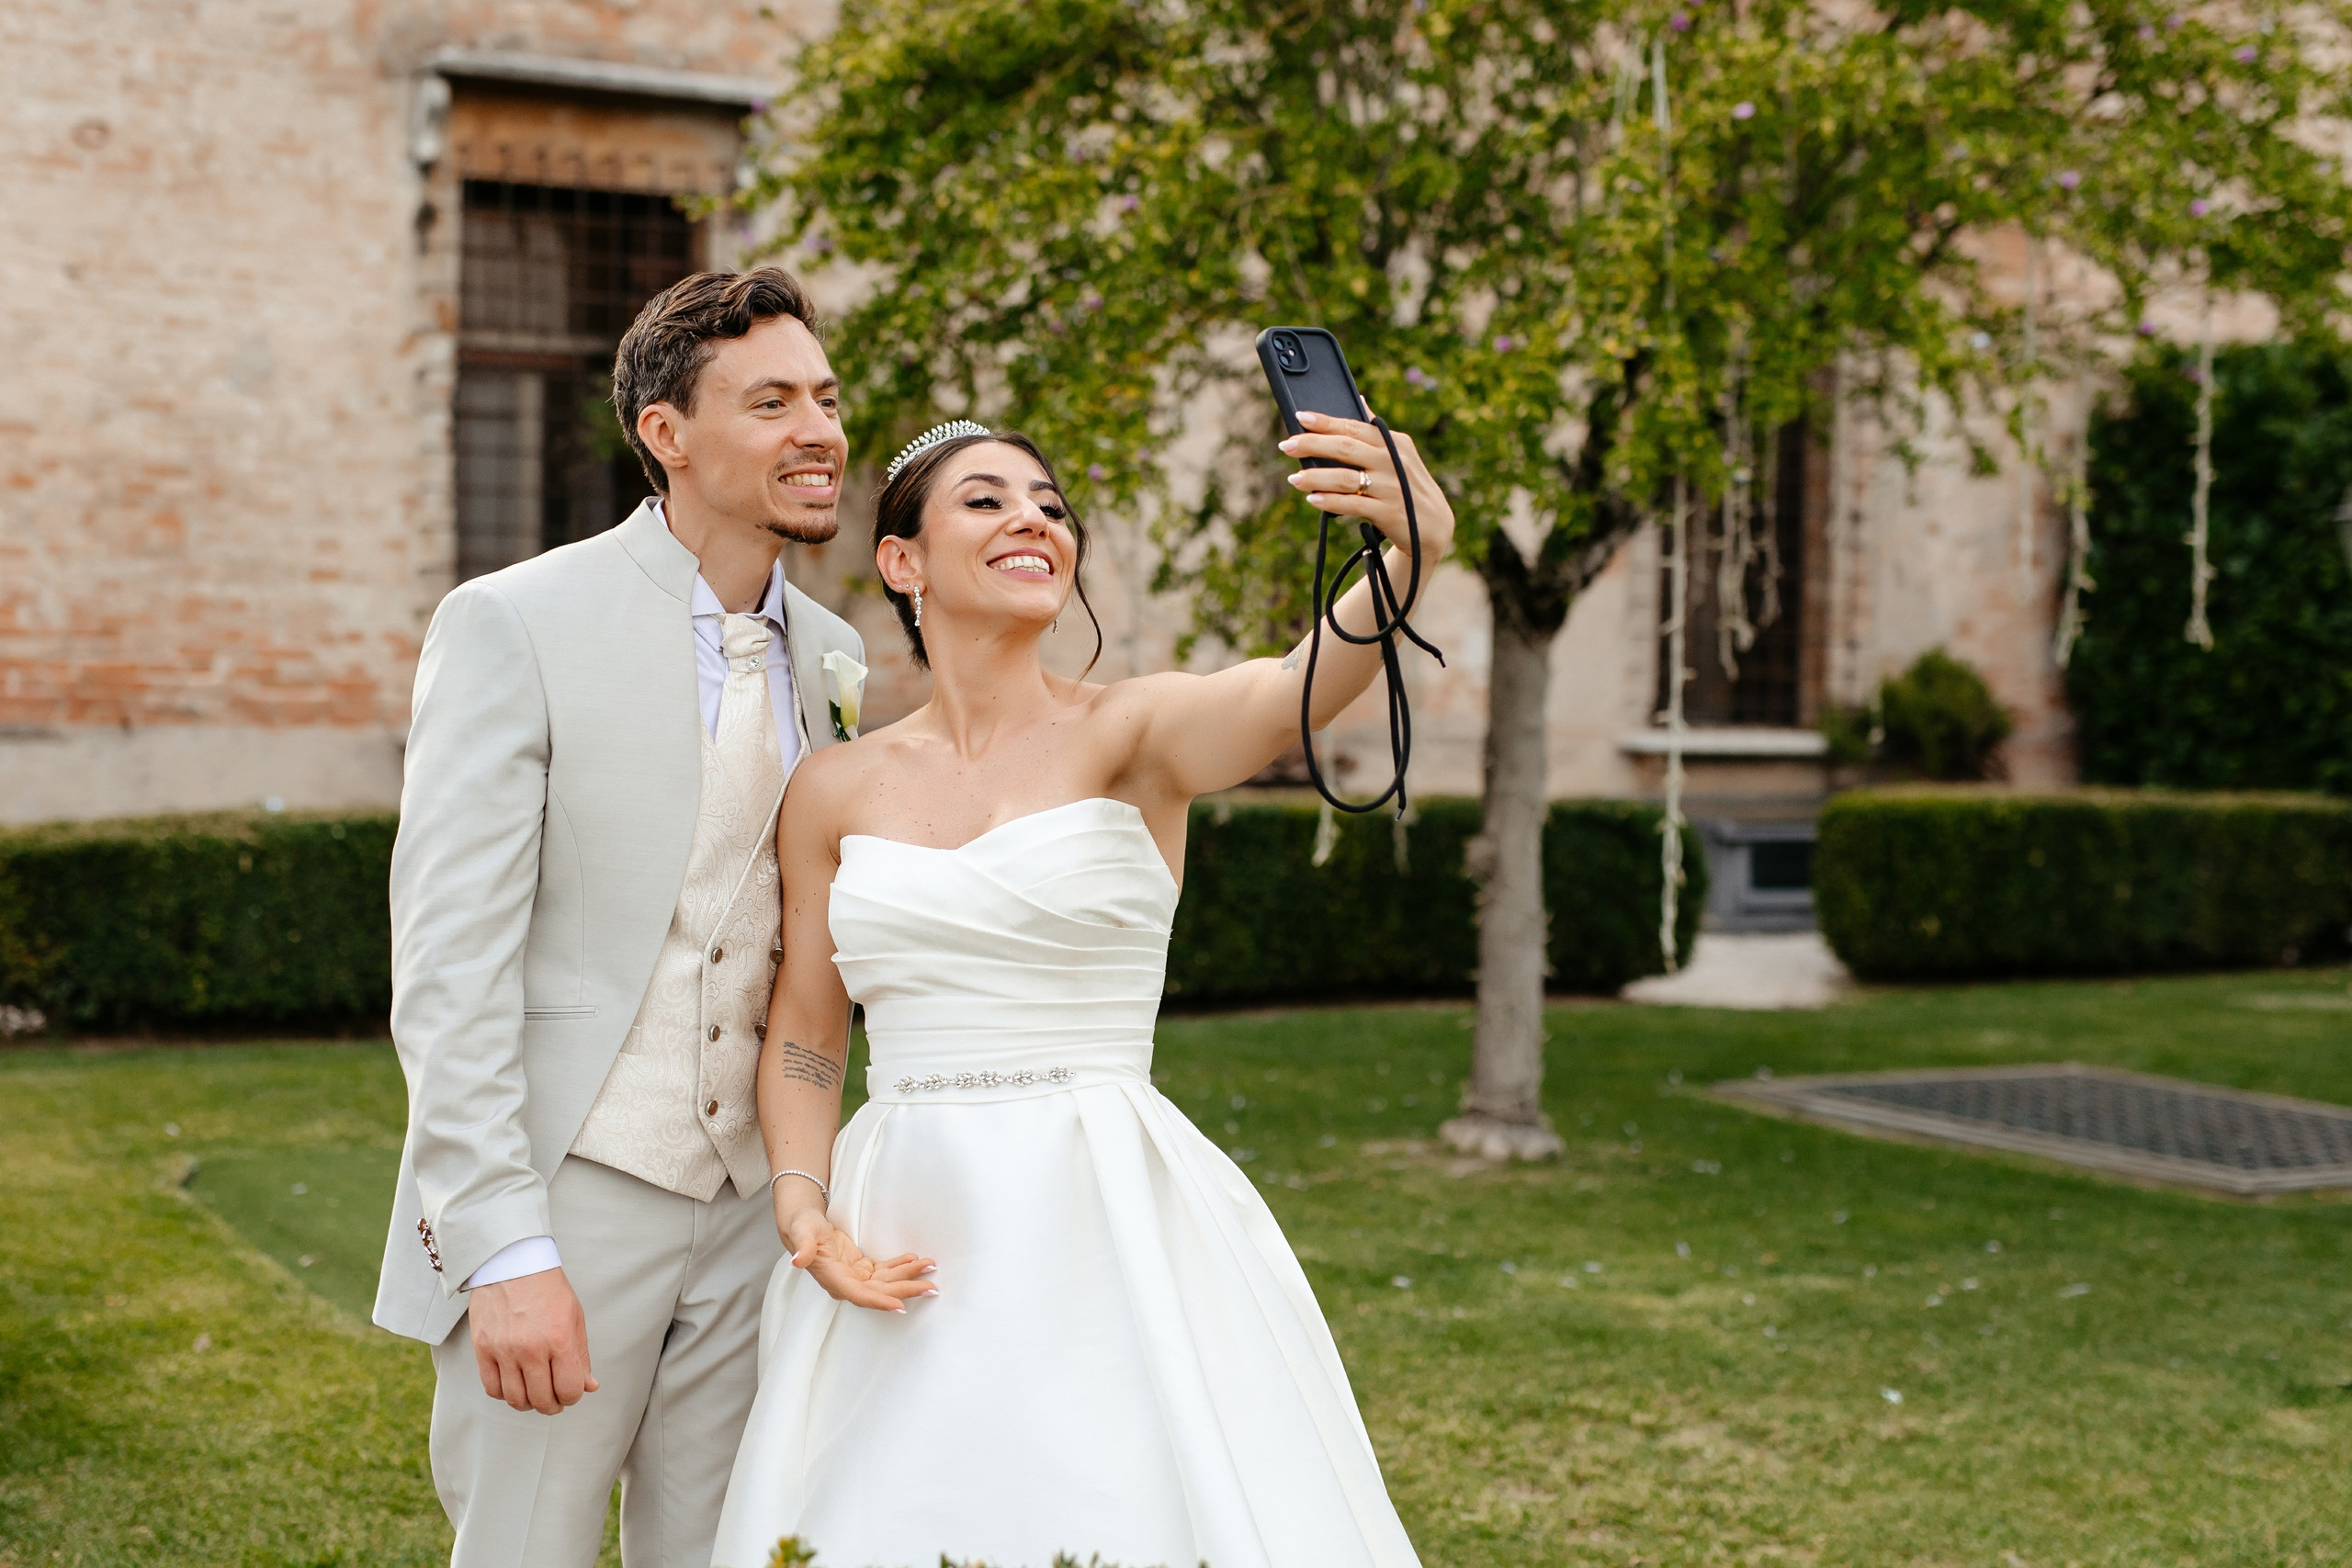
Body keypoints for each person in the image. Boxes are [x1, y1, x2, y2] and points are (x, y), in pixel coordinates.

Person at [709, 409, 1452, 1568]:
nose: (1033, 521)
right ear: (901, 562)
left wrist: (1409, 556)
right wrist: (806, 1211)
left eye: (1050, 507)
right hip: (903, 1208)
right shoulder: (834, 785)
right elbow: (807, 1027)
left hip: (1100, 1198)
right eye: (987, 500)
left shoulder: (1136, 731)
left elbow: (1294, 687)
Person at [373, 267, 868, 1568]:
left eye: (825, 398)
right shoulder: (515, 622)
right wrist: (502, 1244)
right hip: (571, 1191)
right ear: (668, 432)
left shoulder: (831, 650)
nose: (820, 430)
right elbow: (448, 968)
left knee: (721, 1550)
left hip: (756, 1206)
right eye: (772, 402)